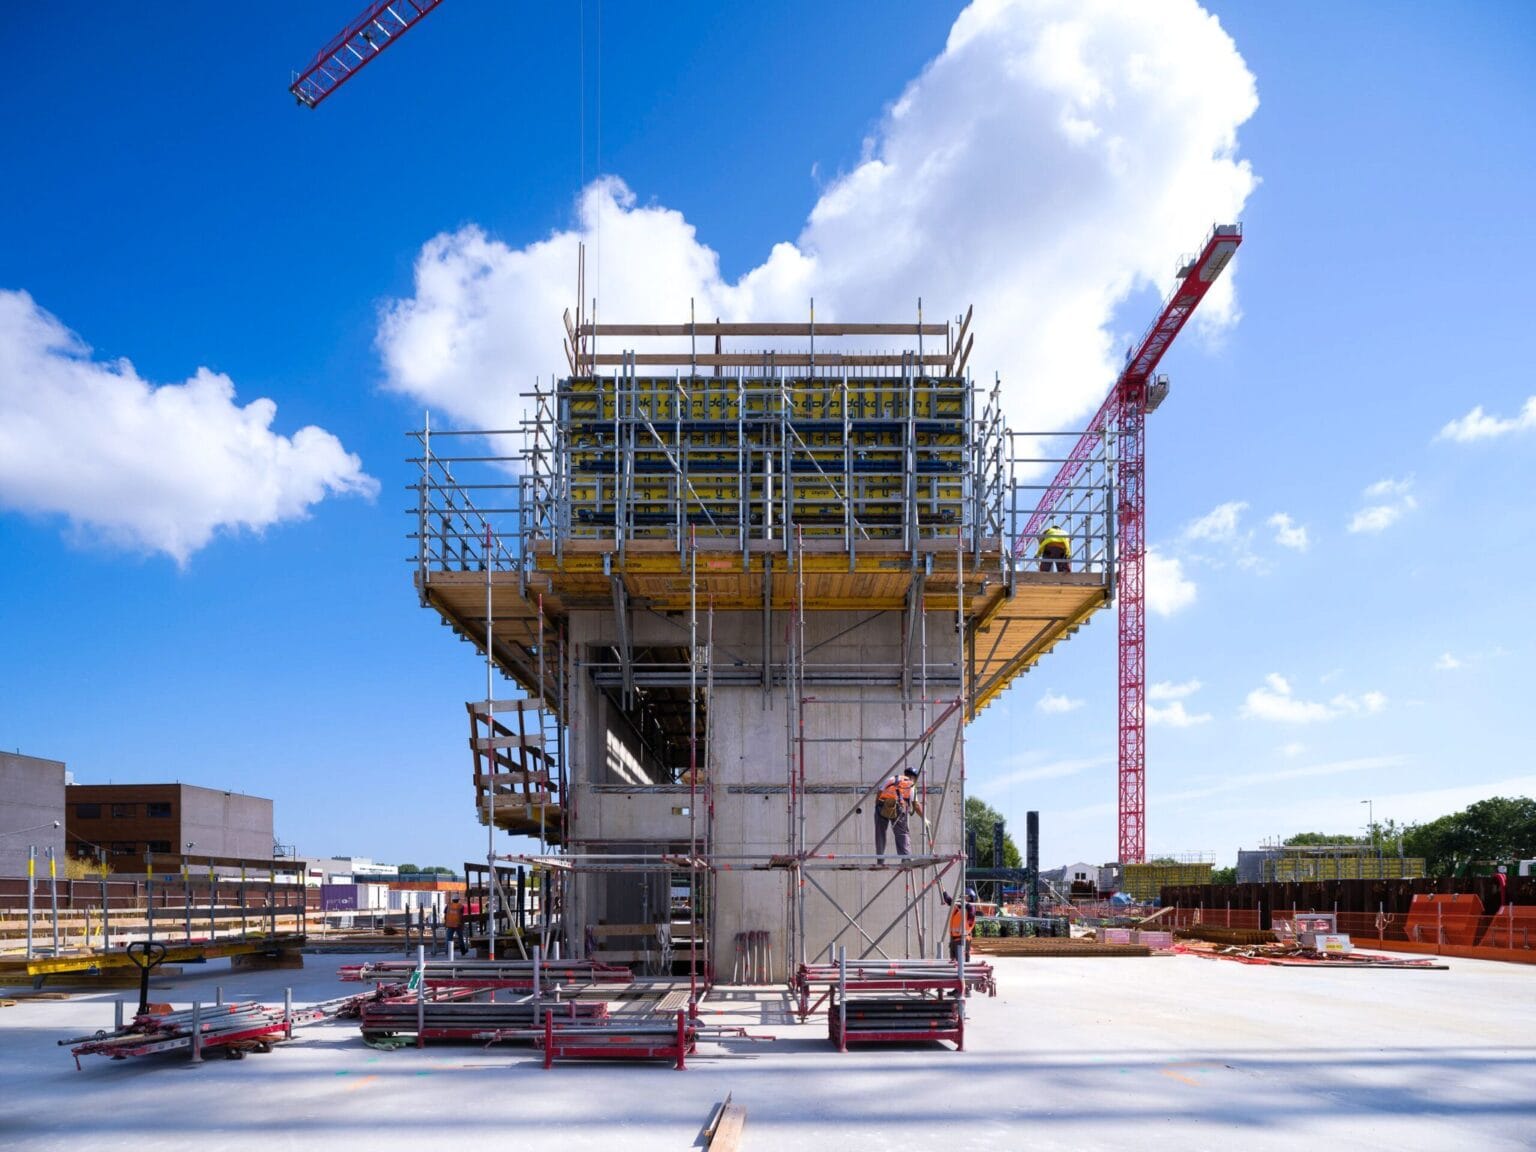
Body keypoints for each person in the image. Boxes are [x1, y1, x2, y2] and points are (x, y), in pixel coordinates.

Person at [874, 765, 927, 863]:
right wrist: (924, 818)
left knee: (880, 833)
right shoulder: (910, 785)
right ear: (914, 777)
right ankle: (906, 858)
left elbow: (879, 792)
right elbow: (916, 805)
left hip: (882, 805)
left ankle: (880, 858)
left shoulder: (892, 779)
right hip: (898, 807)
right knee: (902, 833)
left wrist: (877, 807)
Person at [943, 886, 979, 964]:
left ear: (970, 899)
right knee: (954, 962)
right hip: (954, 939)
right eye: (962, 897)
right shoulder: (958, 907)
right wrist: (943, 891)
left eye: (966, 897)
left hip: (963, 939)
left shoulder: (970, 909)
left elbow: (971, 913)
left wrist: (966, 905)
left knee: (962, 964)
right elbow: (949, 900)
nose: (963, 899)